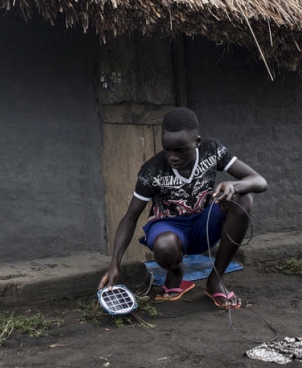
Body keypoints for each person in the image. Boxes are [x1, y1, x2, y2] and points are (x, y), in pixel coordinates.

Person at [99, 108, 267, 310]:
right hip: (170, 228)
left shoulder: (212, 150)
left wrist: (234, 186)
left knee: (244, 198)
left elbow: (259, 181)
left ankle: (215, 280)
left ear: (197, 142)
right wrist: (115, 262)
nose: (173, 157)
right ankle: (176, 272)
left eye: (180, 150)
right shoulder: (151, 170)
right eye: (167, 149)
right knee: (165, 245)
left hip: (204, 224)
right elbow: (130, 218)